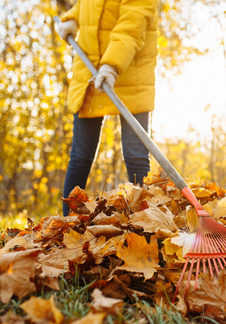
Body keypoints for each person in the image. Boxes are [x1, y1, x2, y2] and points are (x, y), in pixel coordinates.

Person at [56, 0, 159, 216]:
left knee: (135, 154)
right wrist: (73, 19)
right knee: (80, 155)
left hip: (131, 73)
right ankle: (68, 223)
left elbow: (133, 24)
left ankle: (148, 220)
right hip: (89, 71)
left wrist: (112, 65)